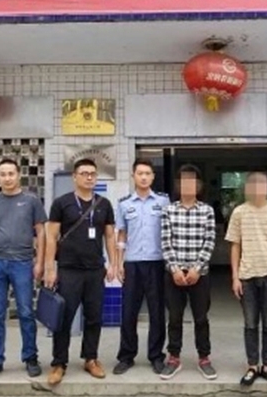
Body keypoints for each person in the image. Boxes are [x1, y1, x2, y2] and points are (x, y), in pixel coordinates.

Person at [0, 158, 47, 382]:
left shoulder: (31, 200)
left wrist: (40, 262)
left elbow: (41, 233)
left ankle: (31, 358)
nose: (7, 178)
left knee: (26, 312)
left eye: (11, 173)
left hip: (22, 263)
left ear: (19, 175)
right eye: (3, 174)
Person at [44, 158, 116, 385]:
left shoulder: (104, 204)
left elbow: (110, 236)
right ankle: (59, 363)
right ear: (74, 177)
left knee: (94, 317)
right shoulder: (61, 203)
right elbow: (51, 237)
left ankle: (90, 359)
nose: (89, 177)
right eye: (84, 173)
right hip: (69, 270)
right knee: (64, 318)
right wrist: (50, 268)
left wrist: (113, 264)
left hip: (95, 270)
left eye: (93, 173)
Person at [225, 171, 267, 387]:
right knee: (250, 324)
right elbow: (235, 246)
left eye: (261, 184)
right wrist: (235, 277)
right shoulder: (239, 212)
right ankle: (252, 366)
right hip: (247, 276)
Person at [113, 158, 170, 375]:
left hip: (157, 263)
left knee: (157, 312)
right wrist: (119, 263)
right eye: (140, 173)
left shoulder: (163, 201)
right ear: (133, 176)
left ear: (153, 177)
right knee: (129, 312)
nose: (144, 177)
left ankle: (156, 356)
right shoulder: (124, 203)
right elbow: (121, 235)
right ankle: (126, 356)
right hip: (132, 263)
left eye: (147, 173)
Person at [159, 164, 216, 381]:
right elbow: (165, 242)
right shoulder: (169, 210)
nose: (188, 185)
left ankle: (204, 358)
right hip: (174, 274)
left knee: (201, 318)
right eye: (184, 181)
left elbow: (209, 241)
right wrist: (175, 269)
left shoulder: (207, 211)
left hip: (199, 275)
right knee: (174, 318)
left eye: (193, 181)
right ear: (178, 185)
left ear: (199, 185)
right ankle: (174, 357)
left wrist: (196, 268)